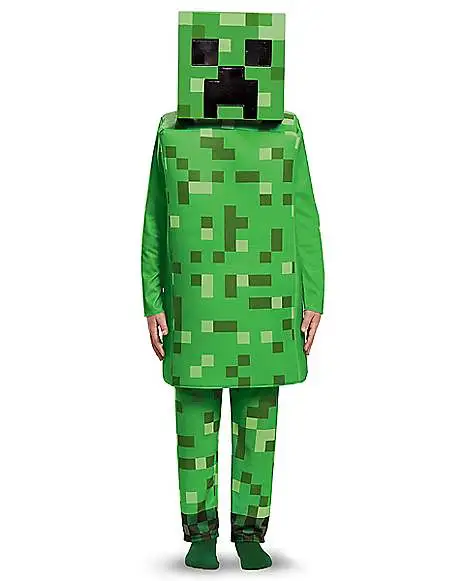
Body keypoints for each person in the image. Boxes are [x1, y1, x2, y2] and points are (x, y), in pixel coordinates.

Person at [141, 11, 324, 570]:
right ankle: (201, 533)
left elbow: (302, 216)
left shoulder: (286, 134)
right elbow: (156, 219)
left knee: (257, 423)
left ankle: (248, 533)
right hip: (196, 301)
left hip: (266, 301)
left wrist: (315, 295)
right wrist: (152, 299)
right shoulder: (172, 134)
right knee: (197, 419)